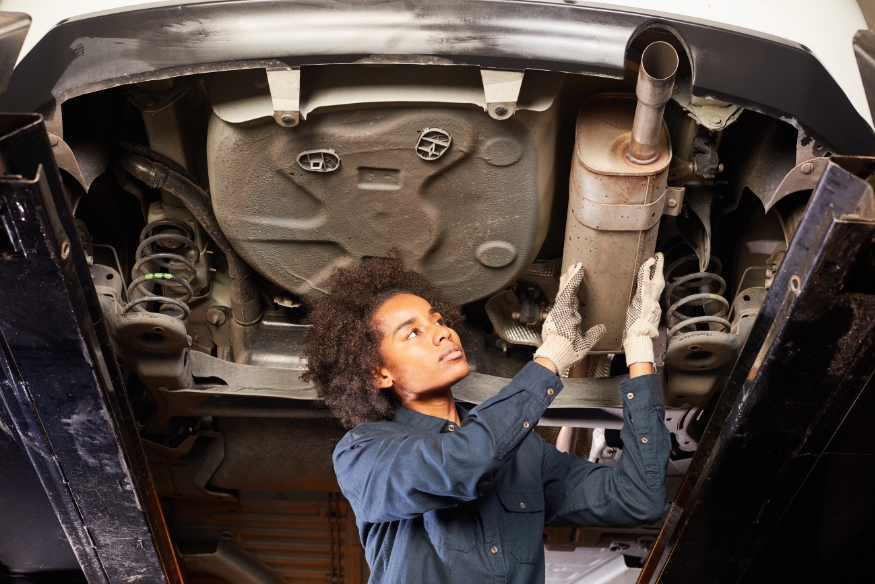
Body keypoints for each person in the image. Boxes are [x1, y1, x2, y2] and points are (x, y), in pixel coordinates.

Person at [302, 255, 670, 584]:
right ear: (380, 374)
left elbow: (639, 499)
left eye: (438, 320)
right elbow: (464, 461)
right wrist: (547, 362)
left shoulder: (525, 454)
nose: (443, 332)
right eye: (414, 332)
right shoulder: (364, 454)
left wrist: (639, 351)